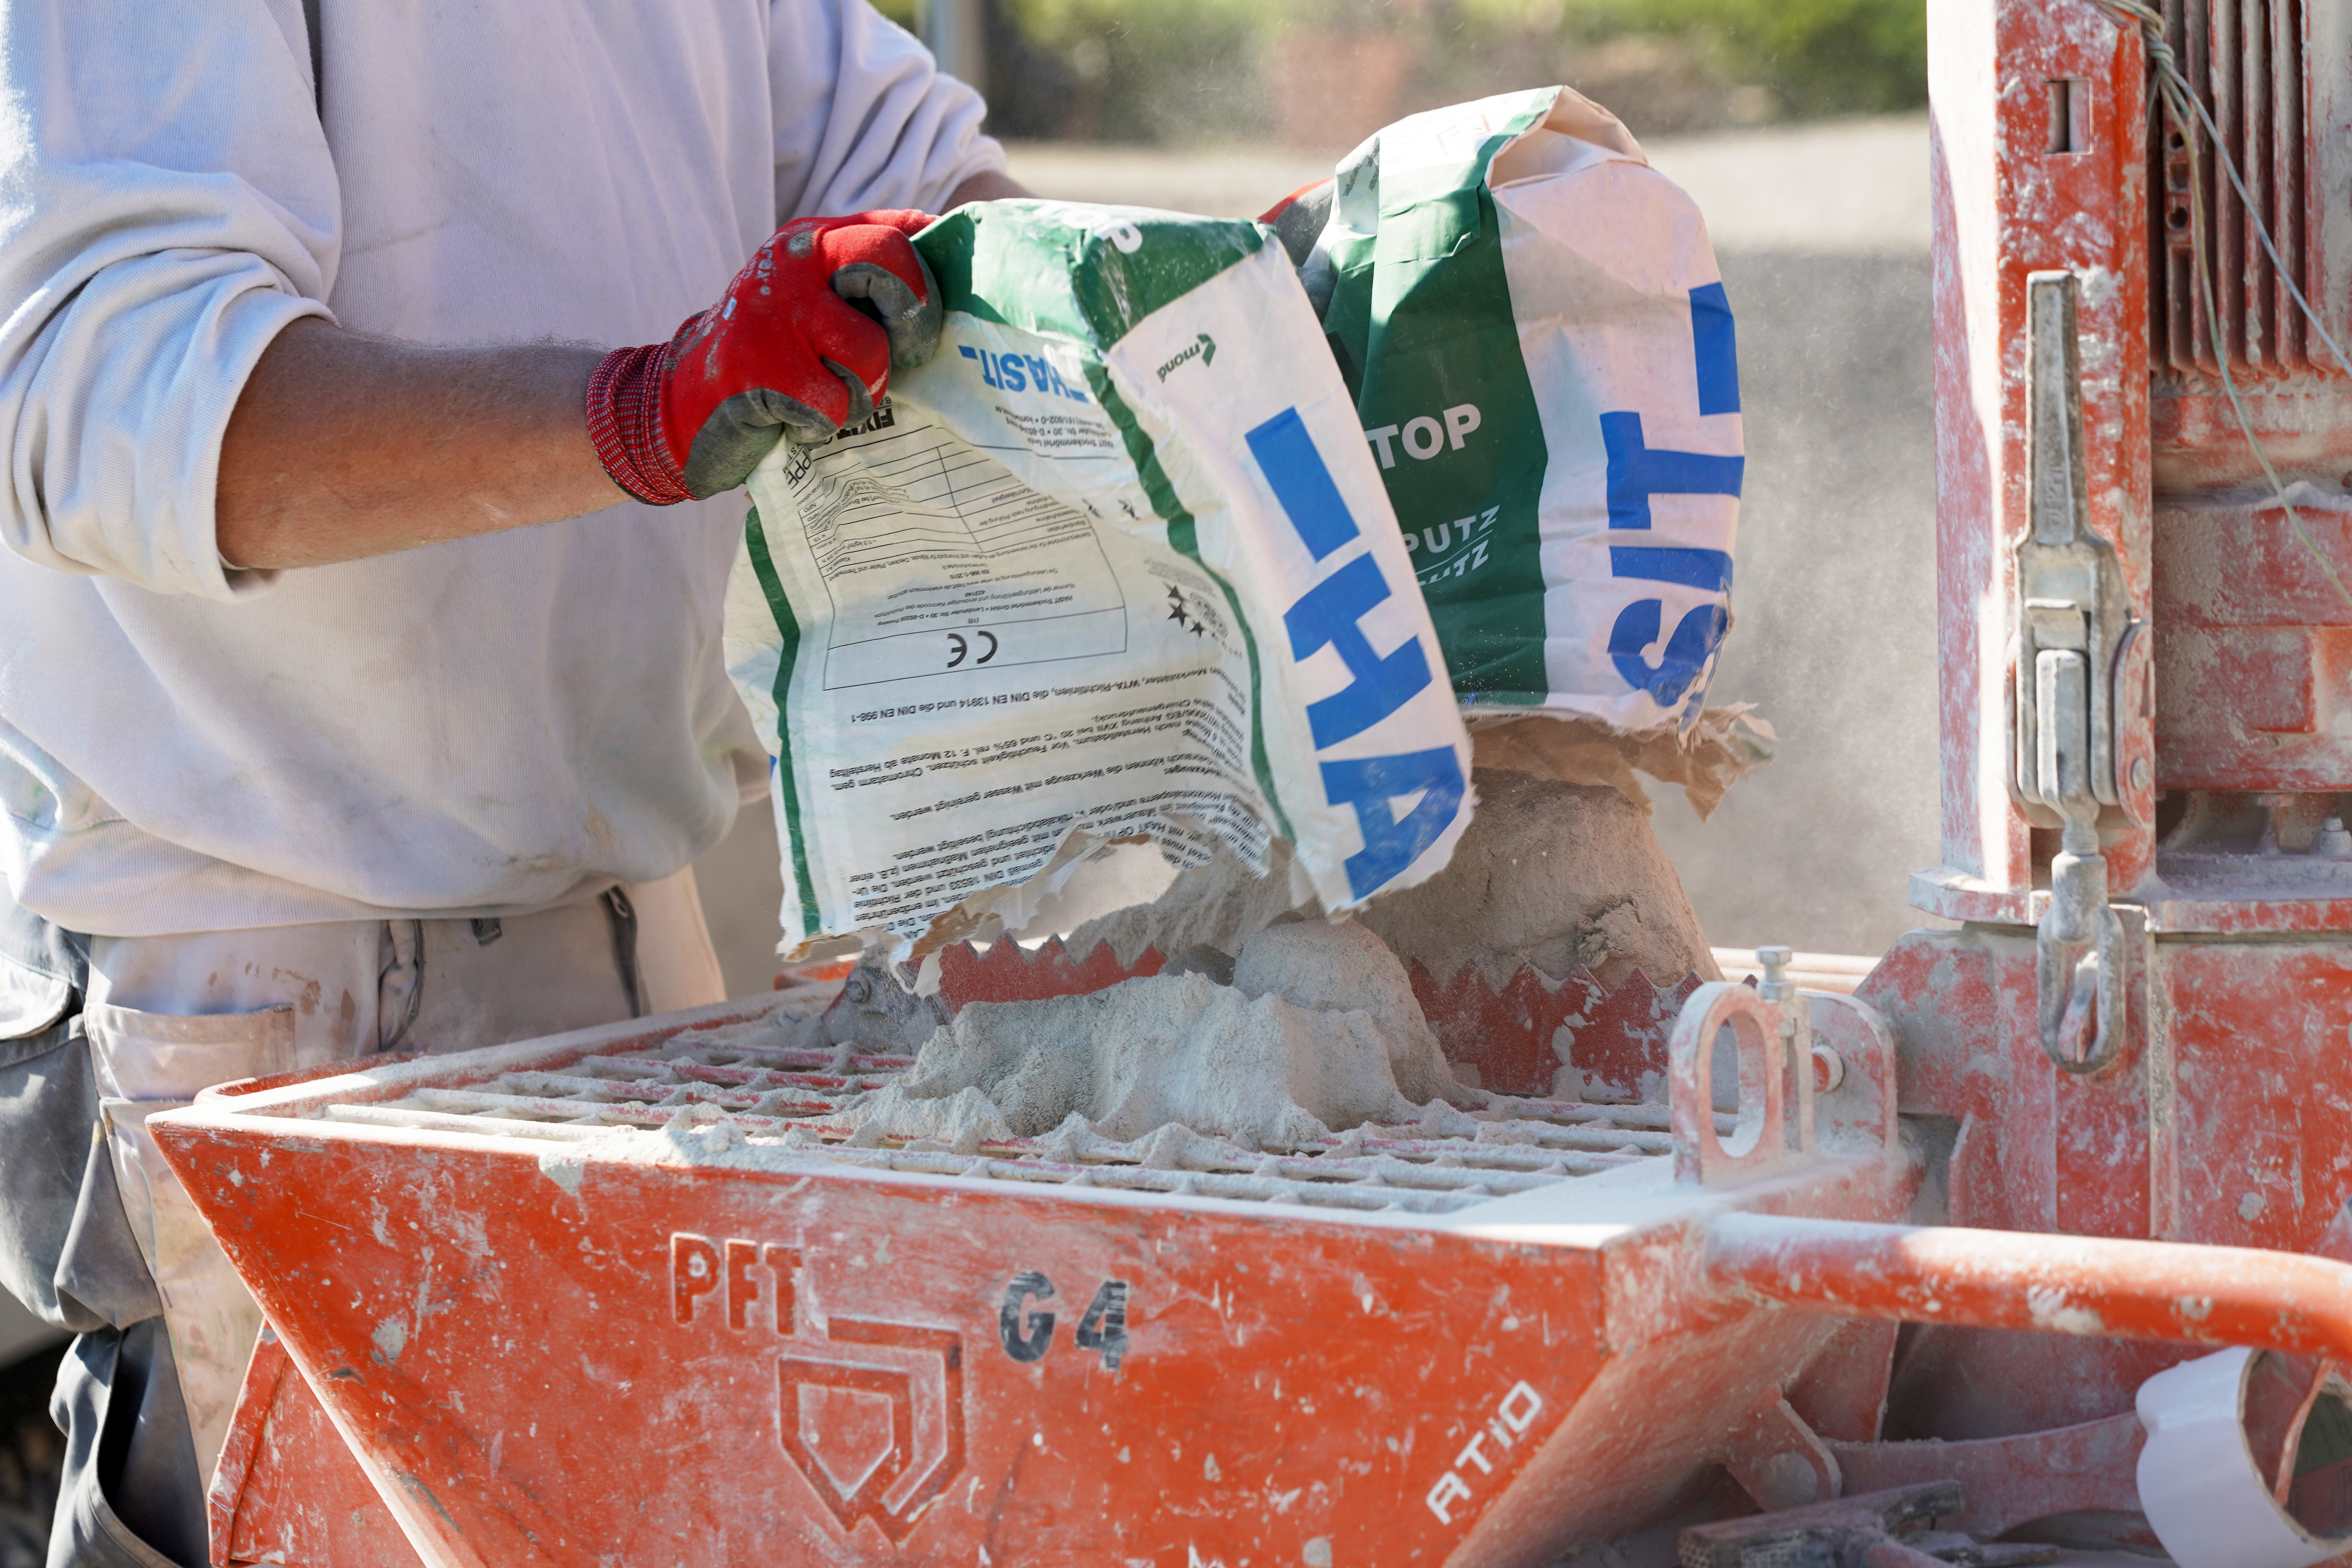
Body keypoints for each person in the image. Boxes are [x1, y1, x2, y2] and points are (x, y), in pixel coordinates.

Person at [0, 2, 1026, 1561]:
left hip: (640, 954)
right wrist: (641, 408)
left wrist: (1251, 308)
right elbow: (110, 396)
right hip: (289, 987)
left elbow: (928, 200)